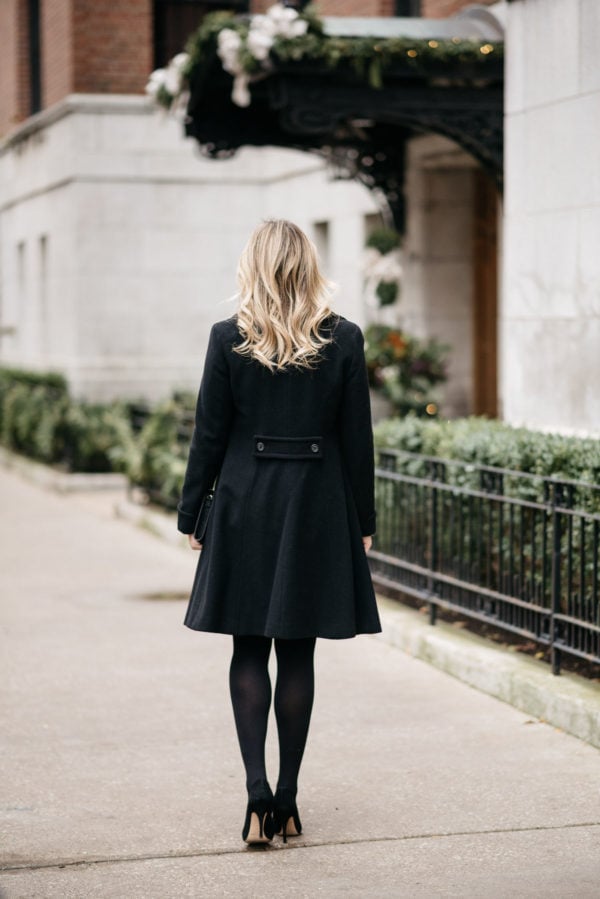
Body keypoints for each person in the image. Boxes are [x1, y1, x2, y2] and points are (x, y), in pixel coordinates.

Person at [177, 219, 381, 845]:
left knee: (247, 649)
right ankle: (288, 800)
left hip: (244, 504)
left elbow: (208, 432)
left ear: (254, 267)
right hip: (316, 504)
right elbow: (357, 440)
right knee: (297, 650)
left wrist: (192, 514)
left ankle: (256, 797)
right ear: (307, 266)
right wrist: (363, 522)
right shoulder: (343, 338)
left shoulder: (227, 338)